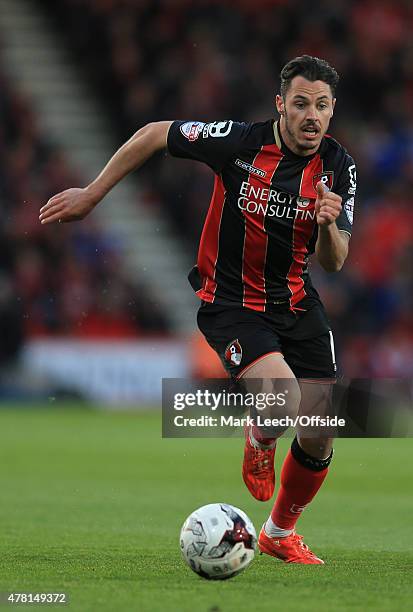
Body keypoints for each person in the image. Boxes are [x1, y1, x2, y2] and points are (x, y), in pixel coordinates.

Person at [39, 55, 357, 564]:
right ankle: (260, 434)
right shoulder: (237, 141)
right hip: (231, 303)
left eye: (321, 105)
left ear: (333, 109)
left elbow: (335, 261)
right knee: (281, 396)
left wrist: (325, 222)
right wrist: (93, 194)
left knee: (321, 431)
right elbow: (154, 133)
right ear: (281, 105)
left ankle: (277, 532)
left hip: (297, 301)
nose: (311, 116)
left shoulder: (339, 166)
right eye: (300, 104)